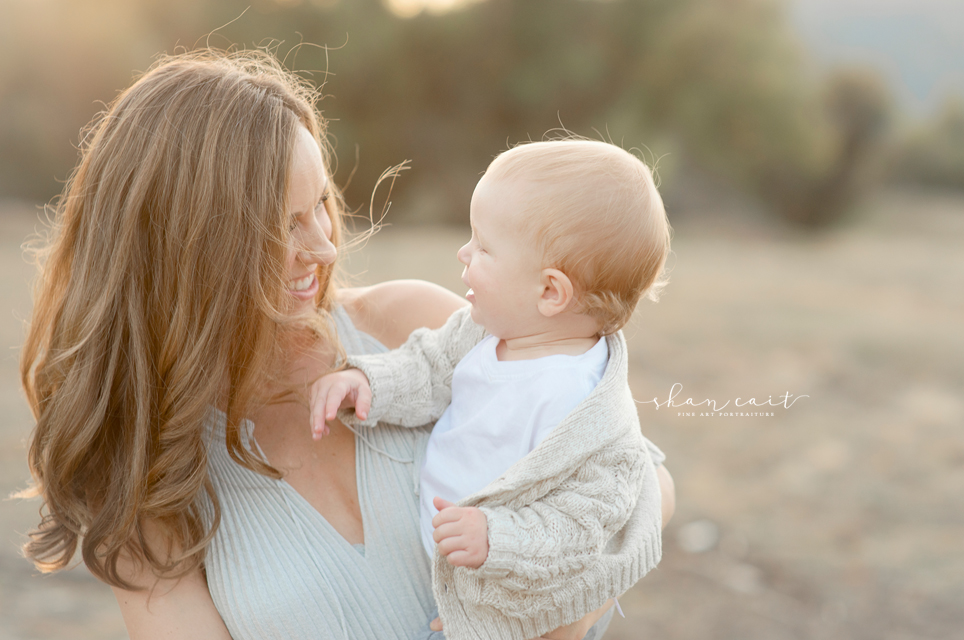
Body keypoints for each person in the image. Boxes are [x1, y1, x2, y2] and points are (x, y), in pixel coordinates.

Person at [19, 49, 673, 640]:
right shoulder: (151, 471)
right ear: (188, 247)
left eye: (321, 207)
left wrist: (567, 613)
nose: (327, 246)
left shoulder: (415, 327)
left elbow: (640, 477)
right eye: (286, 225)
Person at [310, 140, 673, 640]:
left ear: (550, 292)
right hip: (447, 559)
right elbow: (430, 366)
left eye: (483, 246)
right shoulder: (483, 333)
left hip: (511, 585)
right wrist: (369, 380)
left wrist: (496, 540)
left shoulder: (588, 412)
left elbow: (578, 527)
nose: (463, 253)